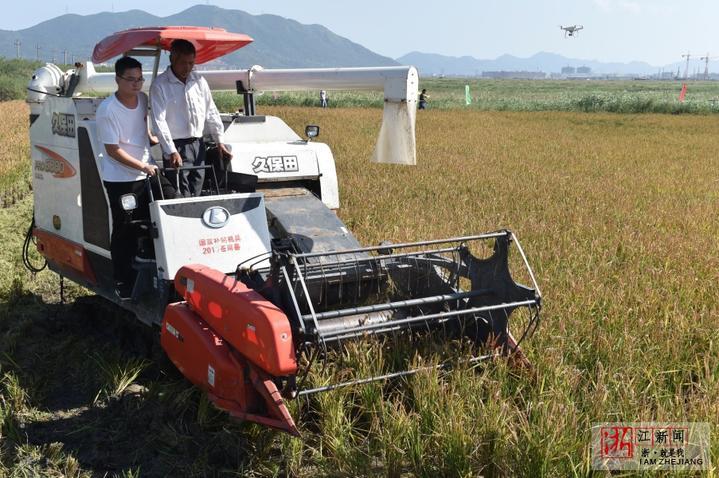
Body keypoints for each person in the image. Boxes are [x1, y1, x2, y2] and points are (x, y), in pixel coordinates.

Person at [97, 56, 177, 299]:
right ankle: (123, 282)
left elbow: (143, 128)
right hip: (121, 178)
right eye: (130, 79)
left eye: (139, 78)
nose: (136, 84)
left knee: (171, 202)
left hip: (146, 170)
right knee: (125, 228)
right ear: (117, 80)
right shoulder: (108, 110)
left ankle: (154, 261)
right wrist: (142, 166)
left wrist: (155, 140)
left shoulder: (143, 99)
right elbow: (113, 150)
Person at [151, 39, 232, 197]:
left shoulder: (199, 81)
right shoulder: (160, 85)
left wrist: (219, 141)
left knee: (198, 185)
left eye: (191, 63)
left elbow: (211, 111)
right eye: (183, 63)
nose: (187, 67)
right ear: (172, 59)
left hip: (198, 143)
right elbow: (158, 121)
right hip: (177, 145)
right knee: (181, 190)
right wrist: (171, 150)